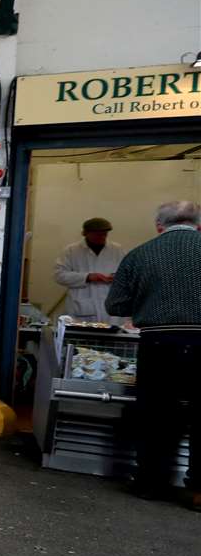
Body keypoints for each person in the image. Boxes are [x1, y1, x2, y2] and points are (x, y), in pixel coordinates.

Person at [105, 201, 201, 507]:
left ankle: (150, 483)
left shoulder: (141, 254)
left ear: (159, 226)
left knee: (156, 413)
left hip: (159, 343)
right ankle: (198, 490)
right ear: (197, 224)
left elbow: (115, 306)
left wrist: (149, 302)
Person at [53, 217, 125, 323]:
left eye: (104, 234)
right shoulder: (71, 251)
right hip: (81, 309)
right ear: (85, 233)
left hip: (110, 308)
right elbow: (59, 275)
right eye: (97, 234)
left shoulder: (117, 250)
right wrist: (88, 277)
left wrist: (117, 277)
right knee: (82, 337)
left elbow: (128, 275)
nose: (102, 237)